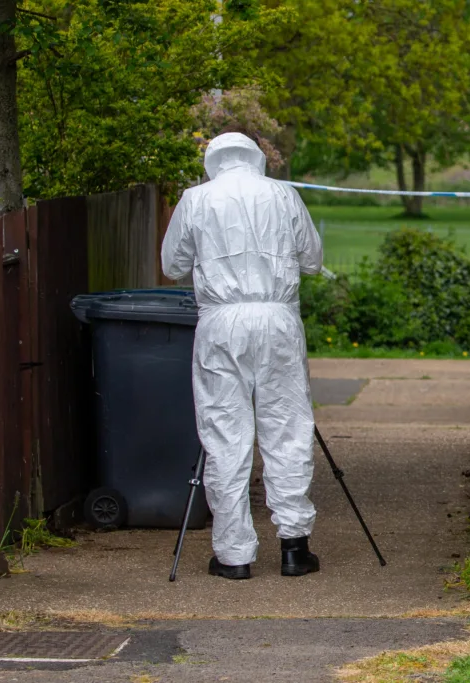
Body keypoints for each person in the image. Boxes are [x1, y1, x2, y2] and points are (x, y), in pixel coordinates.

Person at [161, 129, 323, 580]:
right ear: (255, 159)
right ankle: (294, 546)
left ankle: (233, 556)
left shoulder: (196, 199)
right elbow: (312, 259)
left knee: (224, 430)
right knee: (287, 424)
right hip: (277, 318)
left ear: (213, 161)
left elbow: (171, 264)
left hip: (220, 322)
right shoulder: (284, 195)